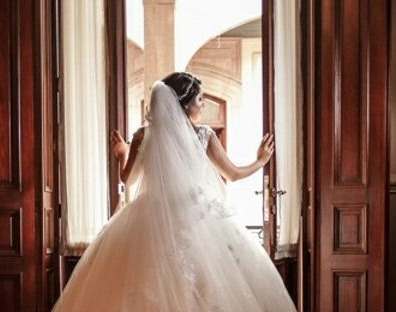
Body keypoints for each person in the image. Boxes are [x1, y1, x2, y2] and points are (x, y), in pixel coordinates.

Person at [52, 72, 297, 311]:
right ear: (186, 104)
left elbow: (128, 179)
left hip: (150, 216)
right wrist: (260, 162)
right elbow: (232, 174)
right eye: (200, 99)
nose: (203, 105)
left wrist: (123, 154)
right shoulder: (203, 135)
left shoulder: (143, 135)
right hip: (197, 217)